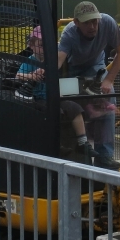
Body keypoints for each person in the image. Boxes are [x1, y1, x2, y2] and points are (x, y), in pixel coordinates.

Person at [57, 1, 120, 168]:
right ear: (76, 22)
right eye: (86, 22)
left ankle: (104, 157)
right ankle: (74, 148)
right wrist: (49, 76)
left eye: (94, 21)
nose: (92, 26)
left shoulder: (108, 23)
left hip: (95, 67)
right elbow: (59, 59)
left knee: (108, 94)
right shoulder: (69, 33)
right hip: (72, 70)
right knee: (66, 101)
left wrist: (109, 79)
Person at [16, 26, 93, 163]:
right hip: (38, 99)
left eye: (46, 45)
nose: (44, 49)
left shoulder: (53, 62)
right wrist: (31, 76)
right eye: (40, 45)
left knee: (75, 108)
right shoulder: (30, 61)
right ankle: (56, 143)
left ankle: (82, 143)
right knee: (54, 111)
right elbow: (18, 76)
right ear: (32, 46)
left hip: (54, 96)